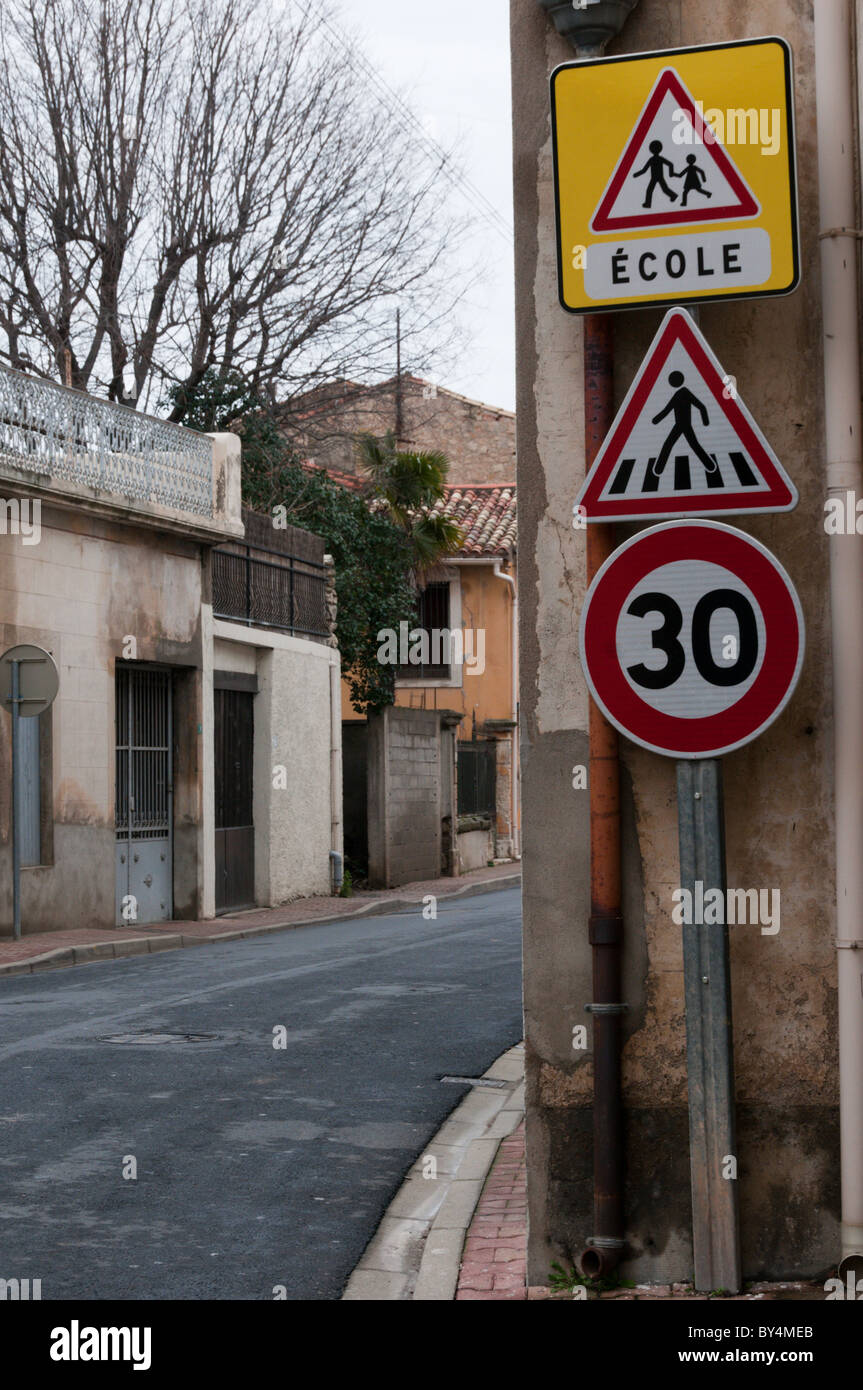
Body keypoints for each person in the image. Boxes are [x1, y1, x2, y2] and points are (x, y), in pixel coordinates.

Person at [651, 371, 718, 476]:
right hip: (680, 425)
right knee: (690, 445)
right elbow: (667, 410)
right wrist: (655, 420)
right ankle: (710, 466)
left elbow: (667, 410)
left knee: (672, 444)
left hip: (683, 426)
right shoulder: (681, 393)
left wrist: (706, 423)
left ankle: (658, 469)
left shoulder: (682, 393)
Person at [633, 140, 678, 208]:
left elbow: (644, 170)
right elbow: (644, 170)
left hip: (657, 177)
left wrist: (636, 174)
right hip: (656, 177)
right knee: (661, 189)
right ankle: (673, 195)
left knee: (652, 190)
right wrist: (636, 174)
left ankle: (648, 204)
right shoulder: (657, 159)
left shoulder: (653, 159)